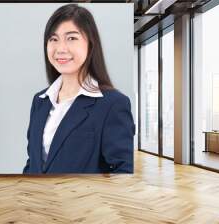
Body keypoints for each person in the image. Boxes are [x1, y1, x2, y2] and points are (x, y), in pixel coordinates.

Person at [23, 4, 135, 174]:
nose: (60, 49)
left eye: (71, 38)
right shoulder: (40, 100)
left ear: (90, 43)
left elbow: (123, 171)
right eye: (53, 39)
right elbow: (33, 163)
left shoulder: (113, 104)